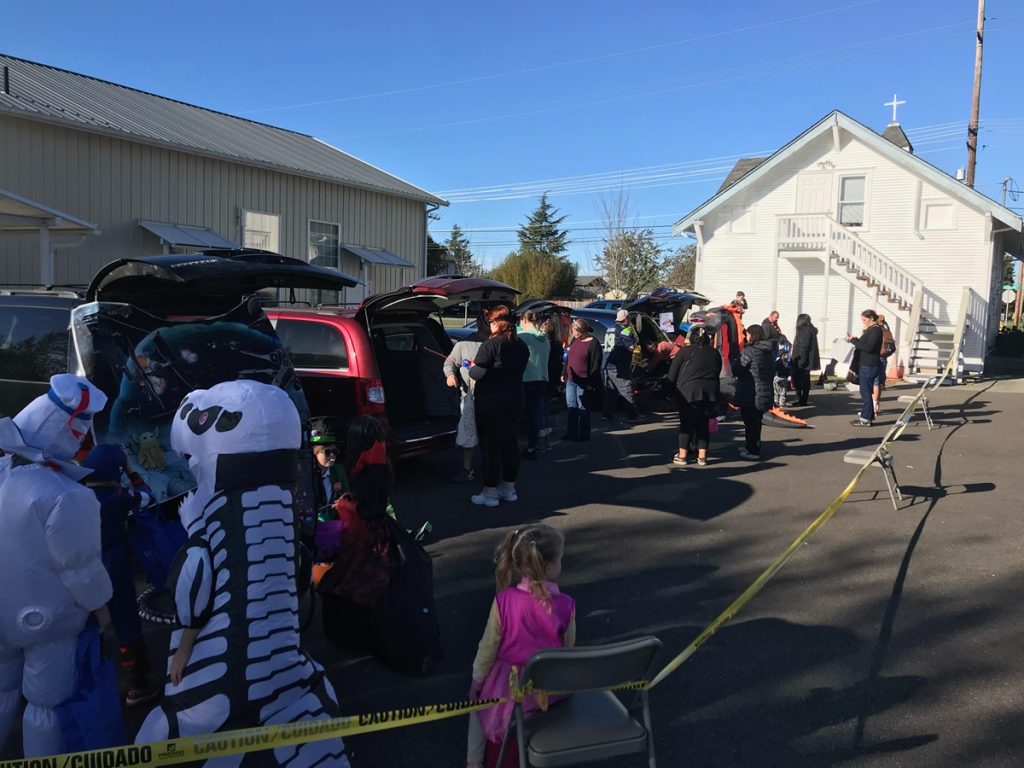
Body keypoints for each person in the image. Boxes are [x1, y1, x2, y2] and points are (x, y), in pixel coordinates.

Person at [138, 381, 350, 767]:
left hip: (217, 675)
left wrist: (185, 646)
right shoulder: (284, 512)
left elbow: (195, 581)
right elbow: (297, 568)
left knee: (162, 729)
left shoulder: (211, 524)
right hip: (285, 660)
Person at [0, 375, 114, 757]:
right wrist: (103, 610)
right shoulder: (68, 495)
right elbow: (80, 569)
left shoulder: (4, 473)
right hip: (48, 620)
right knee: (45, 705)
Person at [466, 524, 575, 768]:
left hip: (508, 687)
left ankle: (473, 762)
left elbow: (487, 649)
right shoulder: (566, 605)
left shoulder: (504, 601)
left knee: (476, 707)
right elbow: (568, 651)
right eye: (561, 559)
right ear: (548, 567)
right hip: (547, 689)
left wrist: (477, 683)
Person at [81, 444, 161, 708]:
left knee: (86, 625)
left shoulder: (75, 493)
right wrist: (132, 473)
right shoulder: (117, 496)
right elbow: (148, 496)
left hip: (80, 566)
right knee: (125, 620)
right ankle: (138, 685)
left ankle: (89, 682)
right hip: (113, 562)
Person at [319, 415, 398, 653]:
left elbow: (366, 508)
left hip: (366, 536)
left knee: (352, 586)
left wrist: (344, 503)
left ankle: (360, 637)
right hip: (379, 533)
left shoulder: (370, 471)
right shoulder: (380, 461)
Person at [469, 306, 530, 507]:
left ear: (497, 323)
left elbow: (477, 373)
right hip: (515, 399)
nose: (490, 326)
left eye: (491, 322)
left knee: (491, 445)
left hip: (491, 401)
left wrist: (469, 367)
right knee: (510, 443)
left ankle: (490, 492)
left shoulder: (490, 345)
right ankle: (508, 488)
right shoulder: (521, 345)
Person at [667, 325, 722, 466]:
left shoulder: (684, 352)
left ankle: (682, 455)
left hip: (688, 392)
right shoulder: (715, 353)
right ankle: (702, 457)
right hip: (710, 392)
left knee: (686, 424)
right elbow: (718, 371)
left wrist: (669, 392)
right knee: (703, 425)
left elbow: (672, 375)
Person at [445, 312, 489, 482]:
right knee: (467, 434)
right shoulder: (463, 344)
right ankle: (467, 470)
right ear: (478, 322)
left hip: (490, 398)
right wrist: (450, 375)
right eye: (486, 321)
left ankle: (490, 469)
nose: (489, 325)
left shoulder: (495, 343)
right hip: (468, 397)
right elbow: (449, 362)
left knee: (489, 436)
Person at [734, 325, 775, 459]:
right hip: (765, 390)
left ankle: (752, 450)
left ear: (753, 335)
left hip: (750, 391)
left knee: (750, 422)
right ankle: (751, 446)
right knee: (756, 421)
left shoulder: (749, 351)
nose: (746, 336)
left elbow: (738, 369)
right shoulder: (769, 352)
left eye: (748, 334)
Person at [562, 318, 603, 441]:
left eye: (574, 331)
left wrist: (591, 383)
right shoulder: (575, 340)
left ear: (582, 330)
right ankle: (571, 432)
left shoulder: (593, 343)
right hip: (571, 379)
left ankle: (584, 433)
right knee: (571, 406)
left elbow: (596, 364)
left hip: (584, 380)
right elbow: (568, 358)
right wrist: (564, 372)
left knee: (583, 407)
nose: (573, 333)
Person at [517, 310, 551, 460]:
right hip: (542, 378)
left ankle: (522, 446)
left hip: (526, 379)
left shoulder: (523, 337)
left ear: (524, 320)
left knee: (521, 414)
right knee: (535, 414)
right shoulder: (545, 338)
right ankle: (532, 445)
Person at [602, 308, 639, 422]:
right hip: (619, 365)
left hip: (607, 364)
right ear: (626, 319)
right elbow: (631, 347)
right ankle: (633, 416)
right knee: (626, 390)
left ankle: (607, 415)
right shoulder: (625, 330)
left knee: (611, 392)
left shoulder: (610, 328)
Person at [847, 309, 883, 426]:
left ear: (871, 318)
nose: (864, 322)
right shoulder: (871, 330)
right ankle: (867, 416)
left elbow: (868, 347)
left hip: (869, 364)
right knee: (865, 391)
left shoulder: (875, 330)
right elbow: (865, 344)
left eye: (865, 320)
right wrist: (855, 340)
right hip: (866, 363)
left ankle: (865, 419)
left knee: (866, 392)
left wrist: (854, 341)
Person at [310, 416, 348, 517]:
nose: (332, 456)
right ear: (315, 452)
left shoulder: (339, 470)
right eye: (327, 452)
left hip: (333, 527)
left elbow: (347, 497)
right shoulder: (306, 474)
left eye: (335, 451)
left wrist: (343, 503)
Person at [539, 318, 564, 451]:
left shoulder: (544, 345)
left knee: (540, 411)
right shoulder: (557, 346)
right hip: (551, 381)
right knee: (546, 410)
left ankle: (542, 440)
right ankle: (547, 441)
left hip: (542, 378)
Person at [791, 313, 821, 406]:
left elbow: (804, 347)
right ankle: (802, 400)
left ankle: (802, 400)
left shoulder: (805, 331)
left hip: (802, 361)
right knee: (805, 381)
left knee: (801, 381)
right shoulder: (810, 330)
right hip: (807, 361)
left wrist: (800, 362)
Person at [874, 314, 896, 416]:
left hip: (875, 358)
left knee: (874, 384)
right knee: (879, 383)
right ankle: (877, 405)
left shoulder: (877, 331)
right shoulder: (887, 330)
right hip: (884, 358)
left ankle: (873, 406)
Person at [773, 344, 793, 408]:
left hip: (776, 379)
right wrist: (789, 375)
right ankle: (781, 405)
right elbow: (789, 370)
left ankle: (776, 404)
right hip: (783, 379)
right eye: (785, 355)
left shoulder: (776, 362)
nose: (786, 356)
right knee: (782, 393)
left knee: (776, 393)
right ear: (782, 356)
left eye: (787, 355)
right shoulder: (786, 363)